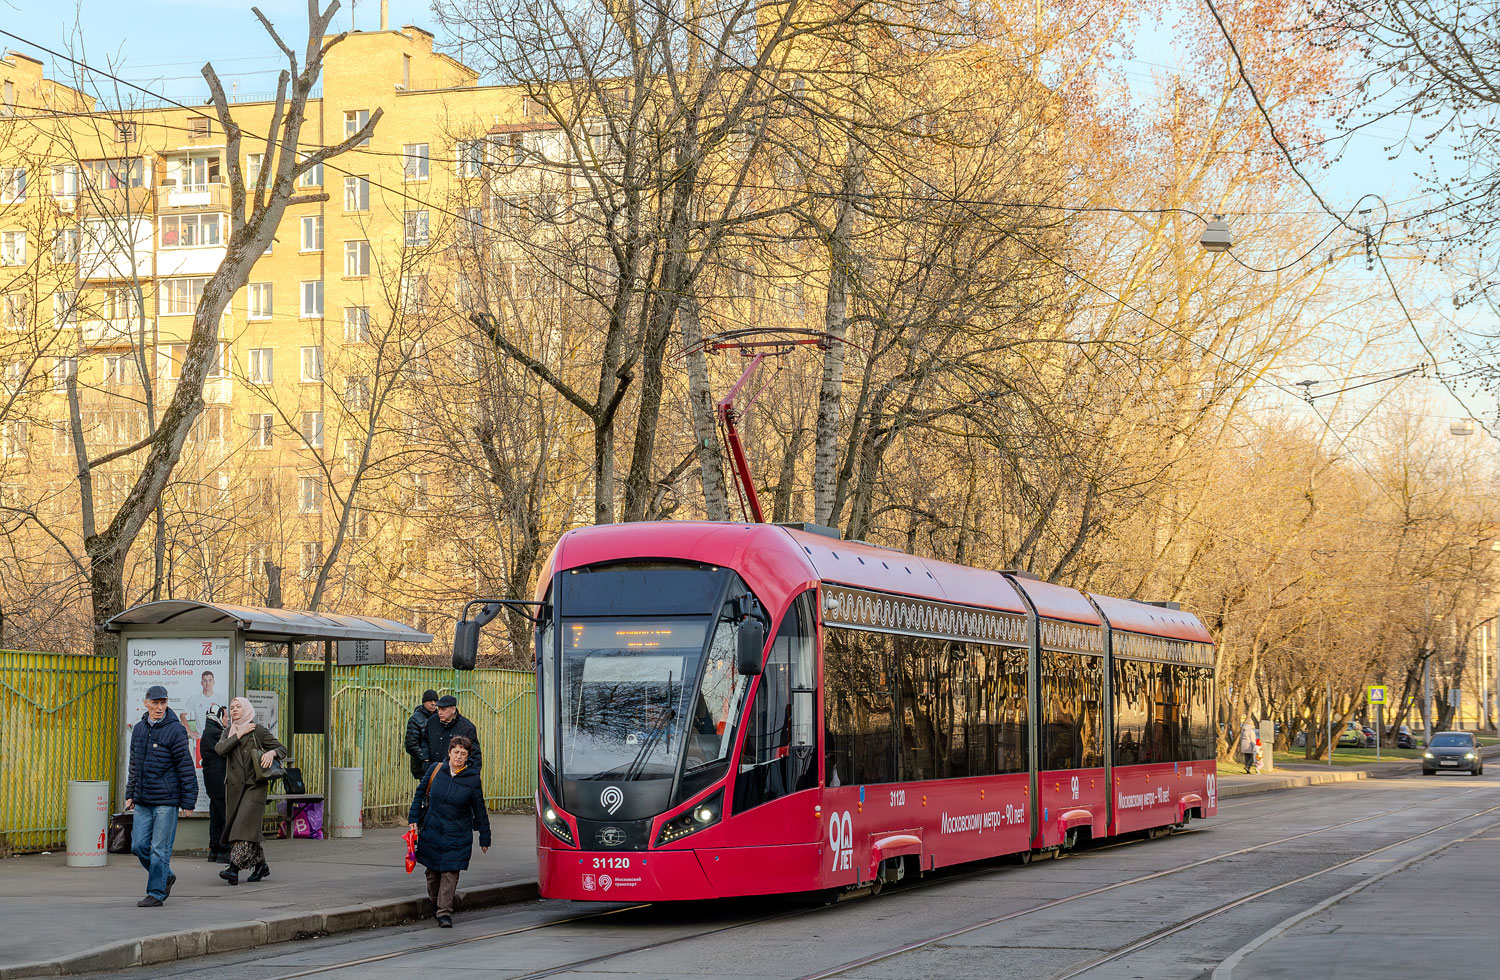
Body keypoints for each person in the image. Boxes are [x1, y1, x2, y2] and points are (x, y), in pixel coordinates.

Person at [124, 685, 197, 907]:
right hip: (143, 799)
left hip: (166, 800)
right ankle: (166, 875)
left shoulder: (175, 730)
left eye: (163, 703)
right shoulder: (139, 729)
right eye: (155, 703)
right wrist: (130, 793)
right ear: (146, 703)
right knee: (138, 846)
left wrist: (188, 802)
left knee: (159, 849)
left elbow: (186, 767)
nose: (159, 707)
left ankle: (156, 892)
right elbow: (134, 765)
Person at [408, 735, 490, 927]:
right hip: (433, 830)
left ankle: (444, 912)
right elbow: (420, 793)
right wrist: (413, 819)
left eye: (463, 753)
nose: (459, 756)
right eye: (456, 752)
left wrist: (485, 836)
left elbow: (479, 808)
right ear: (449, 753)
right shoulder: (436, 770)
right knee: (432, 873)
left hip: (458, 833)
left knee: (450, 873)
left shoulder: (472, 779)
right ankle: (435, 903)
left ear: (467, 756)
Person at [215, 697, 287, 885]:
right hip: (234, 789)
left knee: (241, 827)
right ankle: (261, 865)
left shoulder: (258, 730)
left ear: (247, 709)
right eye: (232, 707)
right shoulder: (228, 732)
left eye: (238, 706)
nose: (234, 709)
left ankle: (233, 869)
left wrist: (272, 753)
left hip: (255, 786)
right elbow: (220, 750)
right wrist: (238, 734)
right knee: (243, 829)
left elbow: (282, 749)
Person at [199, 703, 229, 863]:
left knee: (217, 816)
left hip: (213, 783)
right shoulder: (216, 733)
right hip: (219, 782)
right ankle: (224, 850)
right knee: (225, 816)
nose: (227, 720)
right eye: (225, 716)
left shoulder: (209, 731)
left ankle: (214, 851)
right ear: (217, 717)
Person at [424, 695, 482, 770]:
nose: (440, 713)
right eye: (439, 709)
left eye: (443, 710)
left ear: (453, 710)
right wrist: (425, 760)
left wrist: (472, 774)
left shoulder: (466, 727)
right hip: (431, 769)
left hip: (454, 772)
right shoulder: (432, 721)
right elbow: (424, 741)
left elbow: (474, 754)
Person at [406, 689, 440, 780]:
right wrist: (424, 758)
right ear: (424, 702)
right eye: (430, 701)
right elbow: (410, 743)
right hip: (422, 765)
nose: (433, 703)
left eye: (435, 701)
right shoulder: (415, 719)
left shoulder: (440, 716)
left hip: (438, 763)